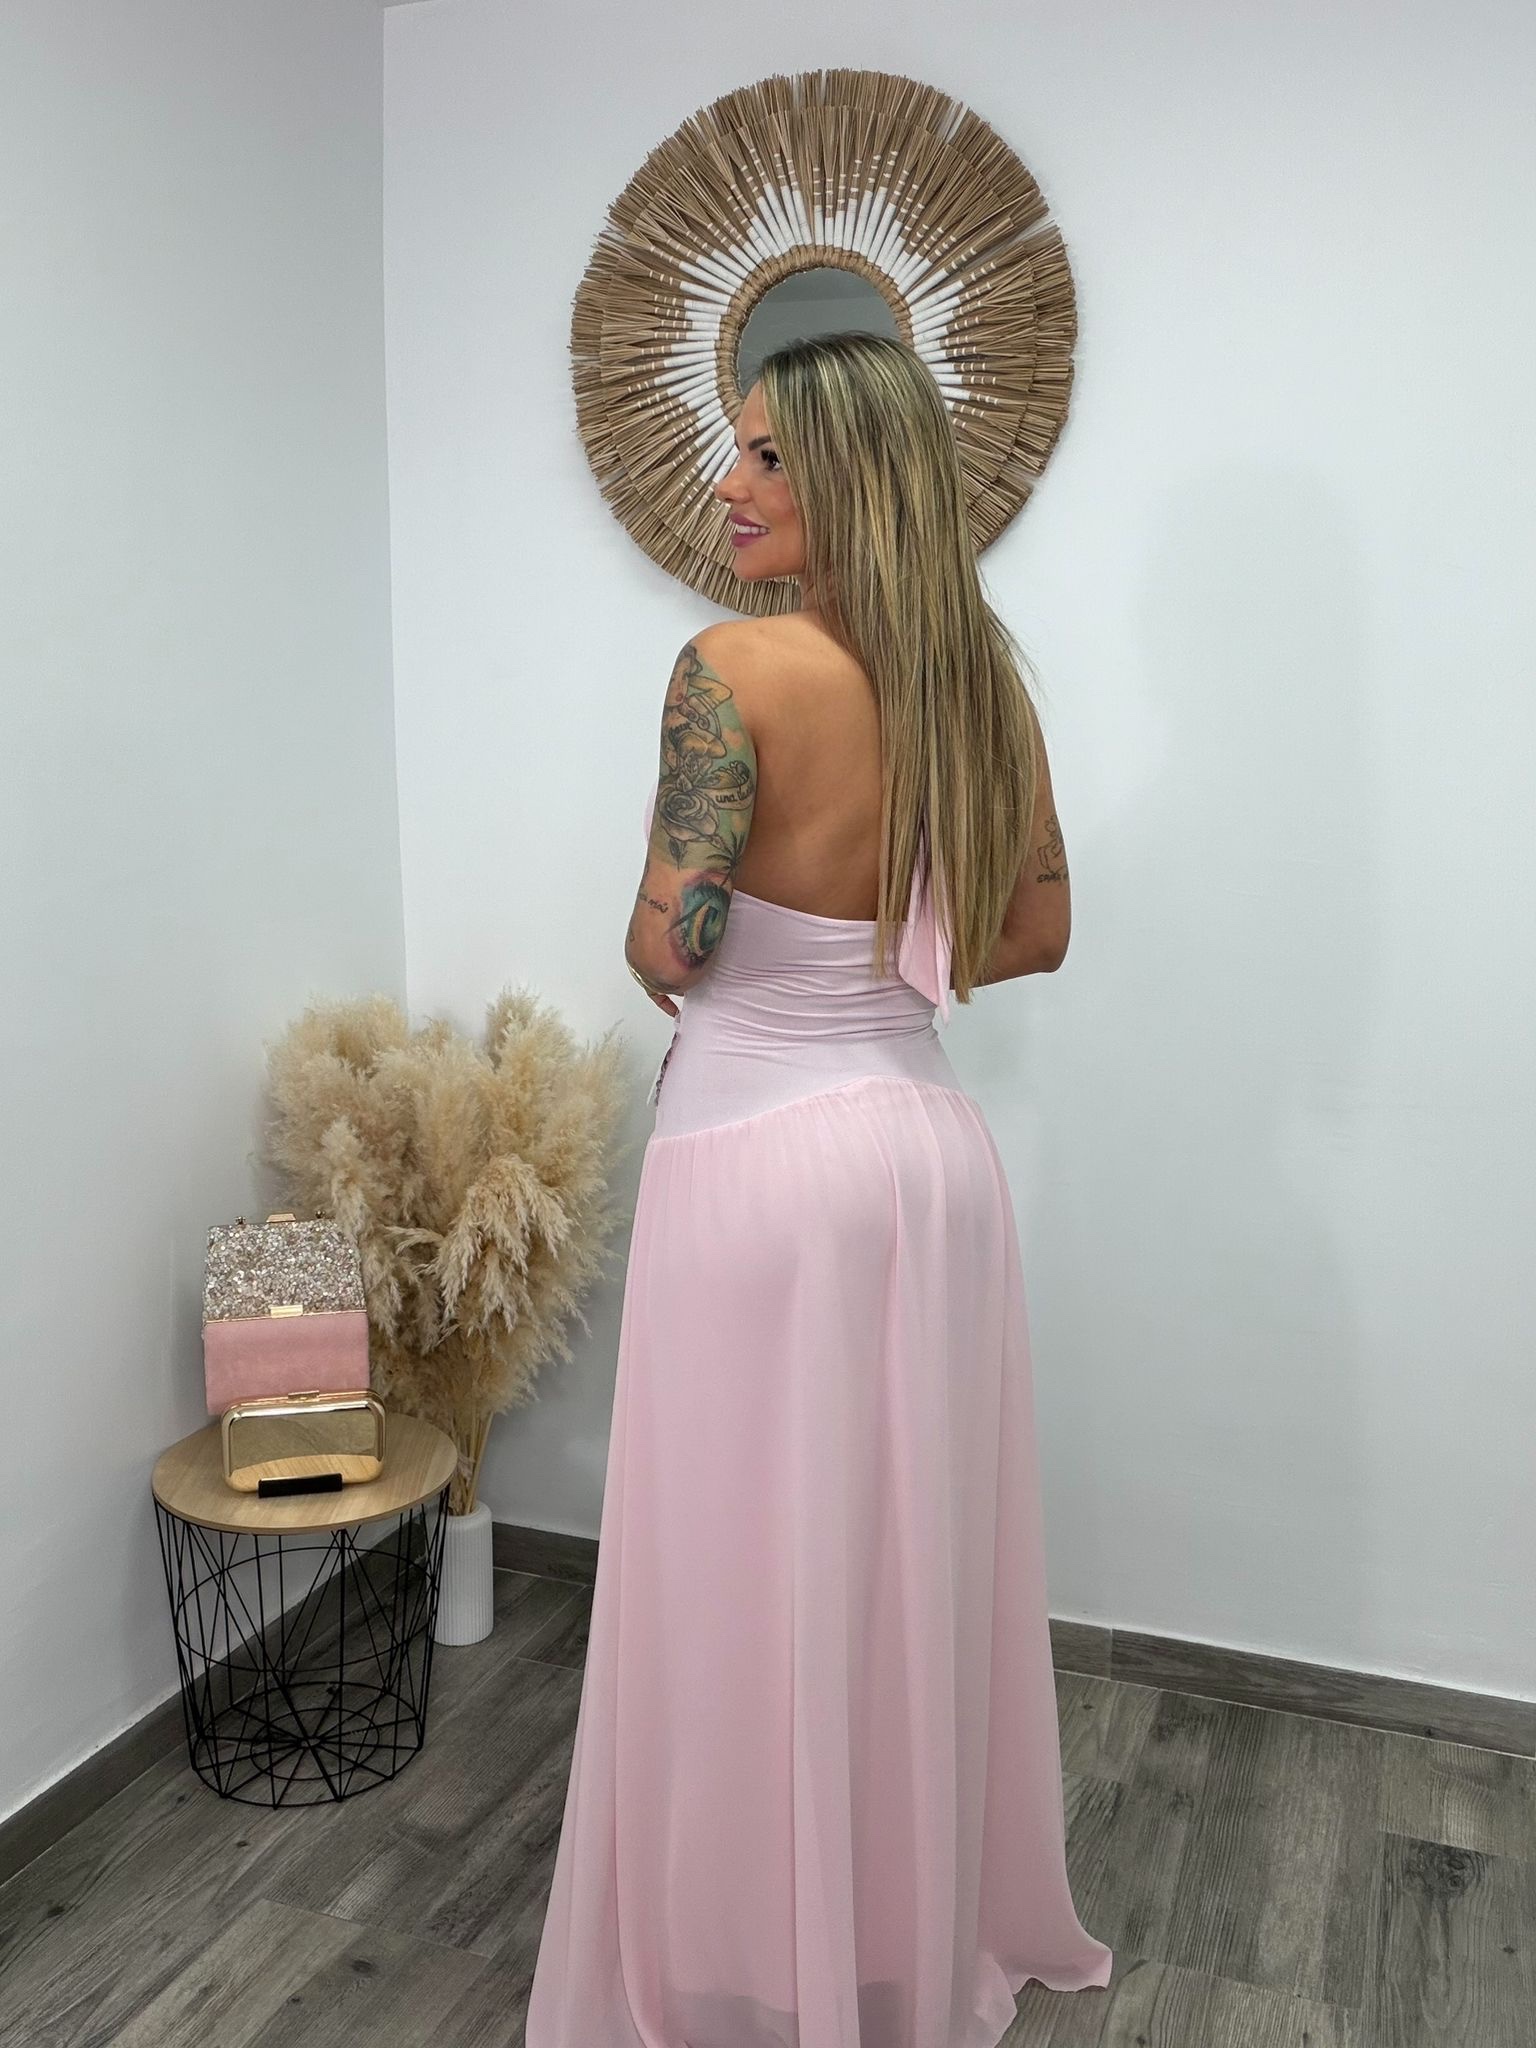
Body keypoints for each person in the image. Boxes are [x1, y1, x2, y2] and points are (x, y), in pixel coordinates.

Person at [525, 332, 1112, 2047]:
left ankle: (744, 1954)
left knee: (735, 1574)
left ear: (856, 474)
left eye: (769, 456)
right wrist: (882, 956)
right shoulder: (980, 684)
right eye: (738, 449)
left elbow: (672, 940)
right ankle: (884, 1938)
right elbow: (1039, 930)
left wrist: (713, 957)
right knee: (896, 1573)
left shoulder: (730, 668)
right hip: (928, 1159)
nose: (731, 485)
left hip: (761, 1162)